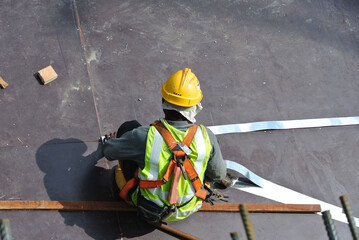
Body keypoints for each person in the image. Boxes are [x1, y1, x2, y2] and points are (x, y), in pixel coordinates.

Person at [102, 68, 228, 222]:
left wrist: (115, 141)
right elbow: (218, 175)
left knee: (129, 127)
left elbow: (109, 151)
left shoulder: (144, 136)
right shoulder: (206, 137)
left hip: (149, 208)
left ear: (164, 101)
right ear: (195, 107)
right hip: (188, 207)